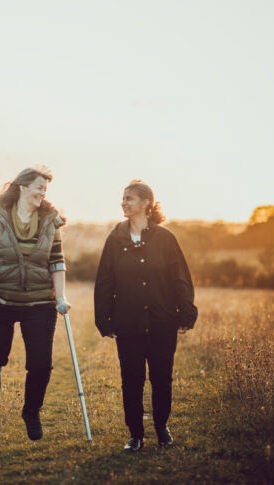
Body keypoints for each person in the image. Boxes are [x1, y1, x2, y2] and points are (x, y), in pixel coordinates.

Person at [94, 180, 198, 452]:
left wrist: (186, 313)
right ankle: (135, 434)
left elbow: (180, 278)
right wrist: (103, 319)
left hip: (163, 321)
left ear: (146, 204)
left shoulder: (165, 238)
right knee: (131, 379)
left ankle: (162, 427)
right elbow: (105, 281)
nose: (123, 202)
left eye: (129, 198)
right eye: (123, 198)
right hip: (127, 323)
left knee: (162, 378)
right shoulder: (115, 239)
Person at [0, 166, 71, 444]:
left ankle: (31, 411)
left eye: (45, 189)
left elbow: (57, 261)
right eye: (39, 187)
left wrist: (60, 297)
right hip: (0, 300)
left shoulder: (50, 220)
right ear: (23, 187)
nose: (42, 193)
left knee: (41, 364)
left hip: (40, 302)